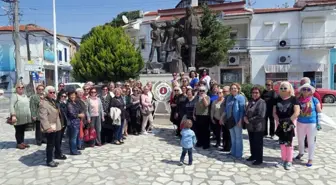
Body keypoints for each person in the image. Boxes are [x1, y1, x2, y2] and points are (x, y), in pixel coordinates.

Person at [273, 81, 300, 170]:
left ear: (289, 89)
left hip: (290, 124)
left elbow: (297, 112)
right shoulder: (277, 99)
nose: (283, 89)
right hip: (280, 123)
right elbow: (274, 112)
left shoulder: (293, 99)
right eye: (281, 88)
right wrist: (278, 120)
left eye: (285, 88)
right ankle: (283, 159)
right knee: (281, 143)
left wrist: (288, 121)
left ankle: (289, 161)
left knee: (288, 143)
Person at [295, 83, 322, 167]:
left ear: (311, 92)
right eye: (304, 89)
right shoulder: (298, 100)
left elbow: (319, 111)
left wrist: (319, 122)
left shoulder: (314, 100)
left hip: (311, 123)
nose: (306, 91)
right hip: (300, 122)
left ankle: (310, 158)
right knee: (300, 139)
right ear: (301, 91)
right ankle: (301, 153)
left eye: (308, 89)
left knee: (310, 141)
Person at [40, 86, 66, 167]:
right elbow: (43, 117)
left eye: (54, 92)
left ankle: (55, 156)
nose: (52, 94)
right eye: (50, 92)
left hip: (56, 125)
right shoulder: (43, 103)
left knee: (56, 142)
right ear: (47, 93)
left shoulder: (53, 101)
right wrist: (47, 127)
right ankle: (49, 160)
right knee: (50, 144)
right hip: (50, 126)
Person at [244, 86, 267, 165]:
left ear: (259, 93)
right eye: (253, 92)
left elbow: (261, 115)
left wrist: (249, 120)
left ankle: (259, 159)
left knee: (258, 143)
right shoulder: (251, 101)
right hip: (250, 127)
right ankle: (253, 156)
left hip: (258, 127)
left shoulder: (262, 102)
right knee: (252, 142)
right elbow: (247, 111)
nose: (254, 94)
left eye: (256, 93)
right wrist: (245, 116)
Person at [223, 83, 245, 159]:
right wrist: (222, 117)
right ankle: (233, 152)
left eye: (235, 88)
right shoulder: (229, 98)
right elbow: (226, 109)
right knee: (233, 137)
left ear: (238, 89)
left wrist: (240, 120)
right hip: (230, 120)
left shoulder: (241, 97)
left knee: (238, 137)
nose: (233, 89)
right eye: (232, 88)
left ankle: (238, 154)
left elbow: (242, 110)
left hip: (237, 120)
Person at [10, 83, 32, 149]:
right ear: (16, 88)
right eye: (19, 87)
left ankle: (22, 142)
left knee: (22, 130)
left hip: (24, 117)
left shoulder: (24, 96)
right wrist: (13, 115)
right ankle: (19, 143)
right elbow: (11, 106)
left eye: (22, 87)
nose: (21, 88)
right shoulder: (14, 96)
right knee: (18, 130)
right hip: (17, 117)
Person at [67, 91, 83, 155]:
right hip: (72, 123)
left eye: (74, 95)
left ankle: (75, 149)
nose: (73, 96)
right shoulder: (69, 104)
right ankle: (73, 151)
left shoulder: (75, 102)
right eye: (71, 95)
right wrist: (80, 115)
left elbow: (80, 110)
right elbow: (72, 113)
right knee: (73, 138)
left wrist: (81, 113)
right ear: (69, 96)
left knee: (75, 137)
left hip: (77, 122)